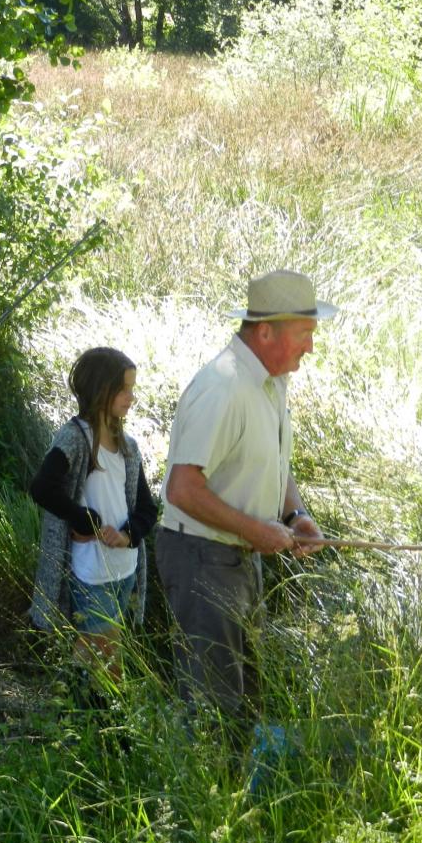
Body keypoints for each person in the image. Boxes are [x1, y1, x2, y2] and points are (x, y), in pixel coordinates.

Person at [156, 269, 334, 733]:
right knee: (213, 707)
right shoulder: (224, 386)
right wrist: (256, 530)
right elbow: (181, 488)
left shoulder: (271, 382)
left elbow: (272, 460)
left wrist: (295, 514)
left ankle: (235, 778)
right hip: (201, 557)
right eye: (304, 333)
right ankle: (202, 780)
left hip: (237, 556)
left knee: (245, 699)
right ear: (266, 331)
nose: (311, 347)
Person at [29, 347, 158, 690]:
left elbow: (147, 508)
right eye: (124, 389)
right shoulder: (75, 438)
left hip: (125, 570)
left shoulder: (128, 446)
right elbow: (42, 488)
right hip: (92, 570)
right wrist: (83, 520)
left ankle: (78, 711)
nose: (131, 397)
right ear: (101, 389)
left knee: (94, 656)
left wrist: (129, 534)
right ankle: (103, 716)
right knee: (107, 661)